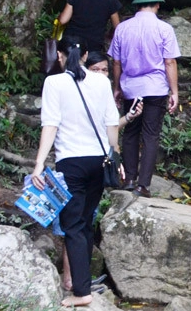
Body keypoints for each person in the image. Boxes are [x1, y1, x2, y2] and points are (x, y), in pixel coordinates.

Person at [29, 38, 119, 308]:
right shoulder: (101, 81)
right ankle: (83, 282)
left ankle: (81, 291)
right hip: (99, 162)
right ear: (86, 55)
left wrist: (39, 164)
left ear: (60, 56)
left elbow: (50, 125)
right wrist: (114, 154)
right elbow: (112, 121)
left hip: (72, 163)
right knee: (85, 220)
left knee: (73, 226)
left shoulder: (54, 83)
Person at [52, 49, 142, 294]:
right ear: (83, 64)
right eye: (97, 69)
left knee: (82, 223)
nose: (102, 74)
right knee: (74, 226)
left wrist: (126, 123)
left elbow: (107, 126)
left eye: (105, 70)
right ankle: (73, 281)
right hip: (79, 161)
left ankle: (79, 281)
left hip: (90, 160)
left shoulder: (94, 87)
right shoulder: (70, 86)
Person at [108, 0, 180, 198]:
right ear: (157, 5)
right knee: (151, 135)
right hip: (156, 88)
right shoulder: (164, 29)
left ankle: (129, 179)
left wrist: (117, 87)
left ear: (137, 5)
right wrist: (174, 91)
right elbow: (169, 62)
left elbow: (116, 63)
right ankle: (143, 185)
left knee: (130, 132)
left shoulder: (122, 28)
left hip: (131, 87)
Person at [57, 0, 122, 53]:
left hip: (71, 42)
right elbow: (118, 28)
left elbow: (62, 20)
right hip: (93, 45)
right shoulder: (111, 2)